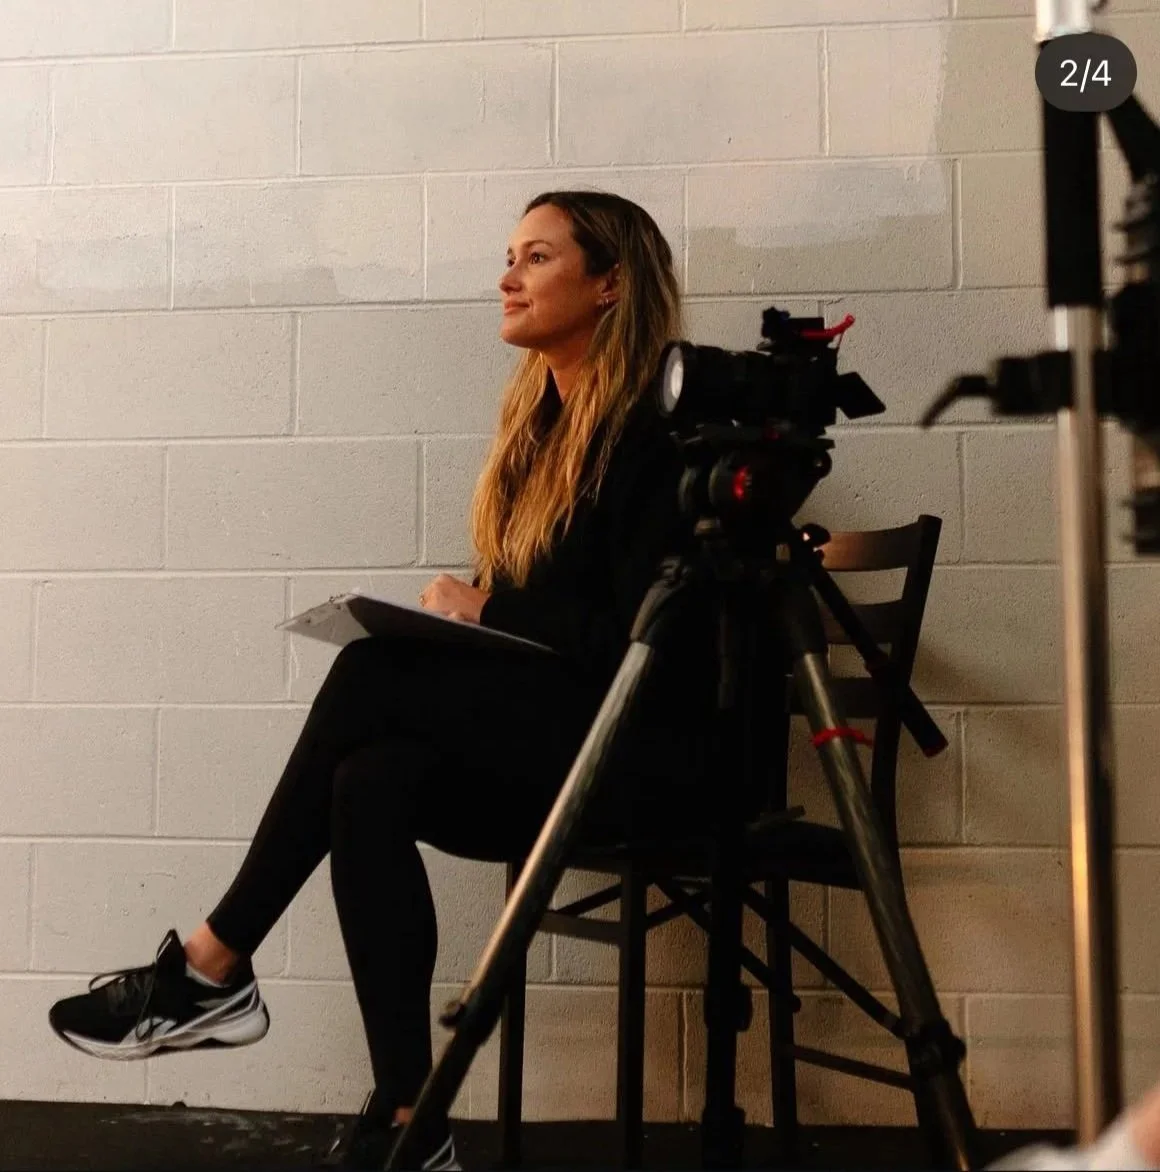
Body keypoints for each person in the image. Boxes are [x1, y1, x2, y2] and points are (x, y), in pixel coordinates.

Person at [47, 191, 717, 1170]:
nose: (506, 275)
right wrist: (478, 620)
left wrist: (484, 612)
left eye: (535, 257)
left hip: (642, 755)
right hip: (557, 743)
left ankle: (212, 962)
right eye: (507, 255)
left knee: (368, 671)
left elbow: (642, 639)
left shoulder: (655, 437)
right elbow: (555, 635)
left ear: (610, 282)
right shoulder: (539, 438)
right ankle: (411, 1118)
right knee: (368, 779)